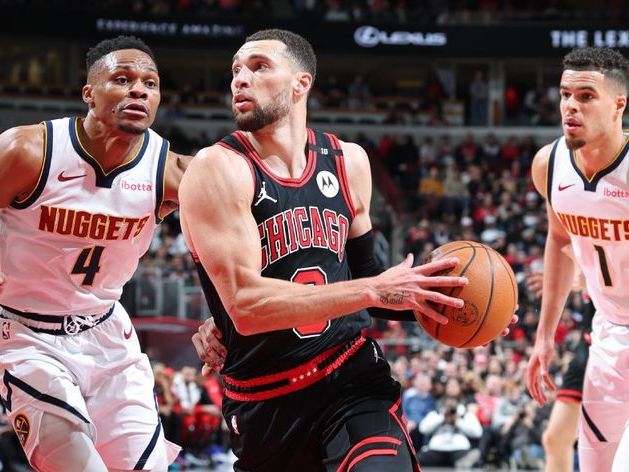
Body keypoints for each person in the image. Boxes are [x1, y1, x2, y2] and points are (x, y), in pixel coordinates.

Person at [179, 29, 498, 471]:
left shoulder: (349, 161)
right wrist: (370, 290)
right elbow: (247, 307)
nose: (240, 79)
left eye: (258, 67)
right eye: (235, 69)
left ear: (301, 83)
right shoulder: (218, 168)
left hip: (351, 380)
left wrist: (454, 304)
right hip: (264, 402)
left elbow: (376, 284)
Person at [0, 35, 187, 471]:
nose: (139, 90)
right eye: (123, 79)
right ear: (88, 94)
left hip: (109, 337)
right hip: (25, 334)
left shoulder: (169, 170)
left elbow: (231, 231)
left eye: (150, 83)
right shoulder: (27, 151)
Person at [525, 47, 629, 472]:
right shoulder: (549, 165)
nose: (571, 105)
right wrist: (545, 334)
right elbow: (560, 239)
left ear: (619, 104)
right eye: (566, 94)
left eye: (586, 96)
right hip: (606, 334)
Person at [526, 267, 593, 472]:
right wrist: (562, 279)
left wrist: (564, 279)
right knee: (555, 440)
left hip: (617, 337)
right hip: (590, 343)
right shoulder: (571, 238)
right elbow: (584, 271)